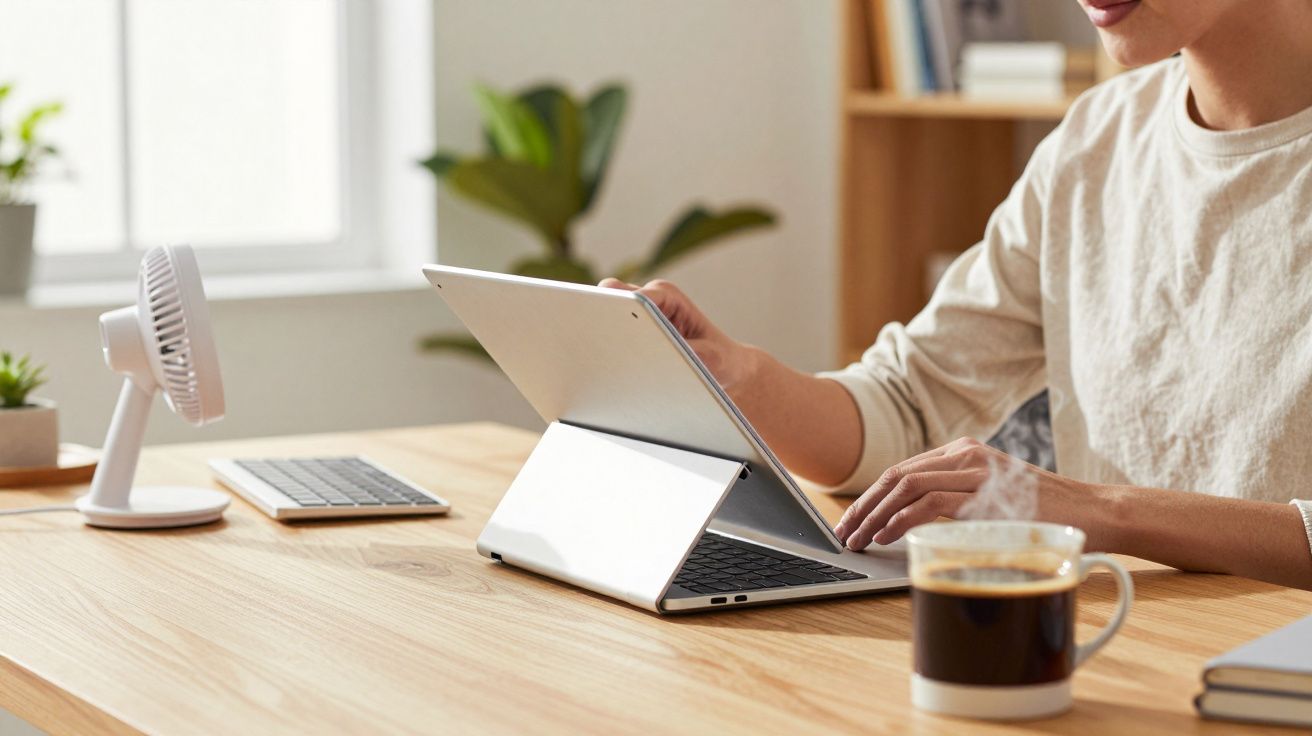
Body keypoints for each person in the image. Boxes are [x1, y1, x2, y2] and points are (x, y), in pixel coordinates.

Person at [601, 0, 1312, 590]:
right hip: (1119, 661)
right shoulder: (1096, 142)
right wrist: (738, 379)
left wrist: (1101, 510)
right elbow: (910, 406)